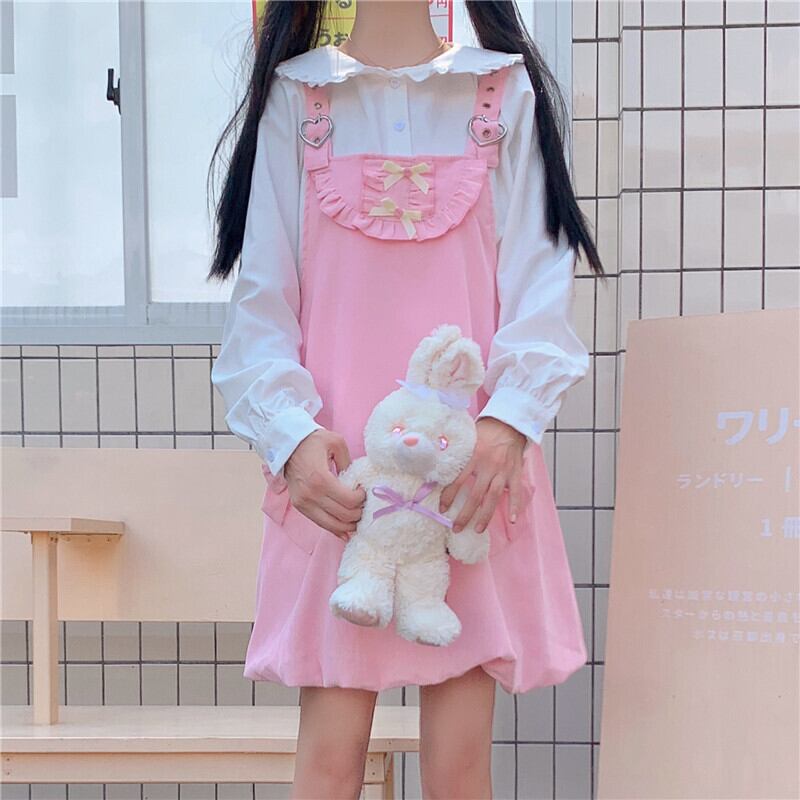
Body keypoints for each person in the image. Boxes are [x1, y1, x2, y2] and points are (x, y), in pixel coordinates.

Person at [208, 1, 605, 797]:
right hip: (339, 487)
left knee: (459, 767)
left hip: (466, 482)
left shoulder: (503, 94)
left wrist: (507, 424)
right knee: (329, 762)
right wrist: (290, 439)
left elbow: (539, 285)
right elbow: (261, 308)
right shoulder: (299, 100)